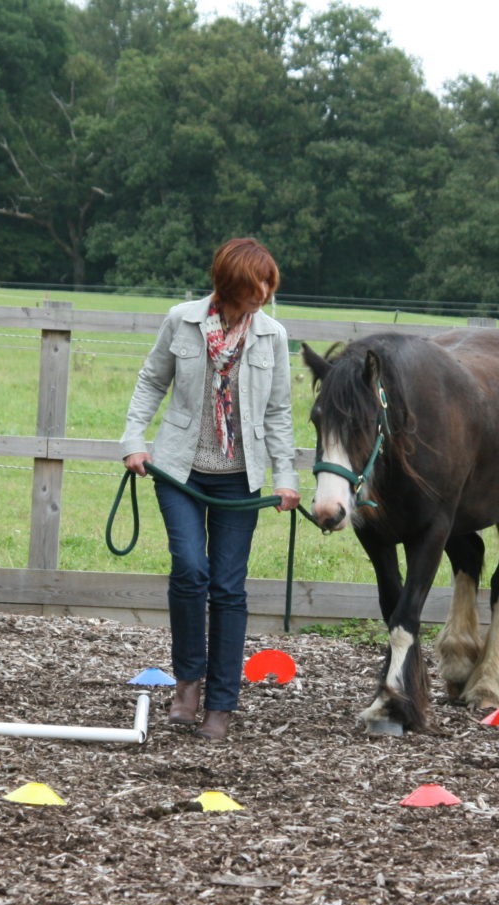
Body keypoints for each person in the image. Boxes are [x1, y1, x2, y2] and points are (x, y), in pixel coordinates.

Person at [120, 238, 300, 741]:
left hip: (241, 478)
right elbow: (152, 380)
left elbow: (279, 412)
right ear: (229, 284)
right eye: (254, 286)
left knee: (227, 586)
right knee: (190, 570)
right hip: (180, 469)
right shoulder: (182, 321)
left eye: (269, 284)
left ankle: (221, 704)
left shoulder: (272, 337)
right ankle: (187, 684)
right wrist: (135, 441)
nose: (263, 294)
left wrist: (286, 478)